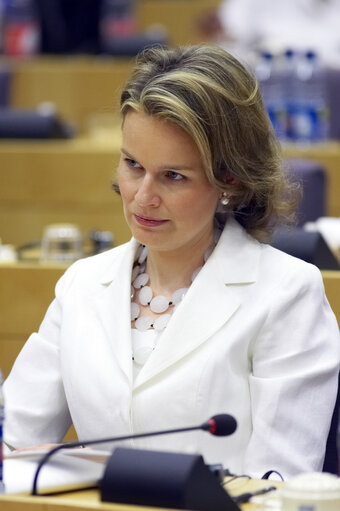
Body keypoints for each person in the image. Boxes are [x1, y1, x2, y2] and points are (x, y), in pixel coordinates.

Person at [3, 44, 340, 479]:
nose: (143, 197)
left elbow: (280, 487)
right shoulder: (82, 285)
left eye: (173, 175)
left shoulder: (288, 293)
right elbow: (13, 442)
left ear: (230, 180)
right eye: (133, 165)